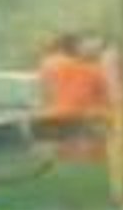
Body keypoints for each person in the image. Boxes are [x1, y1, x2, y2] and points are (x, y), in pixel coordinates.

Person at [36, 31, 112, 162]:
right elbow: (106, 96)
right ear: (76, 46)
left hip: (51, 118)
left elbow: (44, 93)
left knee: (60, 159)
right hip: (79, 120)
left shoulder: (48, 63)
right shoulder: (92, 70)